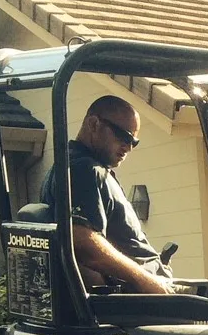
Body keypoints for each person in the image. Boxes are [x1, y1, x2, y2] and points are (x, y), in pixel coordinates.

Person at [41, 95, 175, 294]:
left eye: (134, 141)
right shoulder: (83, 169)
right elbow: (82, 243)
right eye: (123, 136)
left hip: (146, 287)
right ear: (93, 124)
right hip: (139, 297)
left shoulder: (79, 168)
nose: (128, 147)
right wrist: (145, 280)